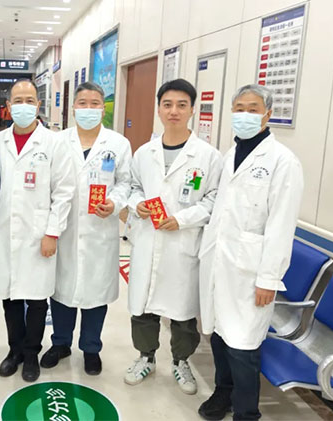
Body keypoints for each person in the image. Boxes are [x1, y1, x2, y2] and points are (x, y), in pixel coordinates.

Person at [197, 84, 303, 420]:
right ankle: (223, 392)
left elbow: (281, 226)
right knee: (219, 334)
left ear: (268, 114)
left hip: (251, 270)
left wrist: (269, 279)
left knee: (243, 345)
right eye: (239, 108)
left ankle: (246, 412)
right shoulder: (230, 154)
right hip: (219, 261)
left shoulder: (283, 162)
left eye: (253, 109)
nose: (245, 115)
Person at [125, 79, 222, 395]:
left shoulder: (208, 156)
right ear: (159, 109)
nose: (174, 111)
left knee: (182, 312)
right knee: (143, 306)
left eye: (182, 105)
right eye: (167, 104)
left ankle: (181, 361)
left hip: (183, 244)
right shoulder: (144, 152)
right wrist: (137, 204)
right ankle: (146, 357)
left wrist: (182, 219)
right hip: (148, 240)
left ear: (192, 110)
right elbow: (134, 187)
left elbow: (214, 199)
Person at [40, 81, 131, 375]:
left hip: (99, 230)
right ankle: (60, 343)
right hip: (64, 228)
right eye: (83, 103)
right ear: (73, 108)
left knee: (95, 292)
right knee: (62, 290)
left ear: (103, 108)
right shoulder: (58, 141)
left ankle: (91, 348)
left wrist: (114, 203)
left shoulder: (118, 143)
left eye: (95, 104)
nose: (88, 109)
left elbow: (125, 182)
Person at [0, 79, 76, 382]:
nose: (23, 106)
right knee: (10, 297)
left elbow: (64, 191)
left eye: (30, 100)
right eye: (18, 100)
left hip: (39, 233)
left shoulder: (54, 143)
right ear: (8, 106)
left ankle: (31, 354)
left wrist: (52, 232)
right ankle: (14, 351)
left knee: (38, 299)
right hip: (5, 231)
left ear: (39, 105)